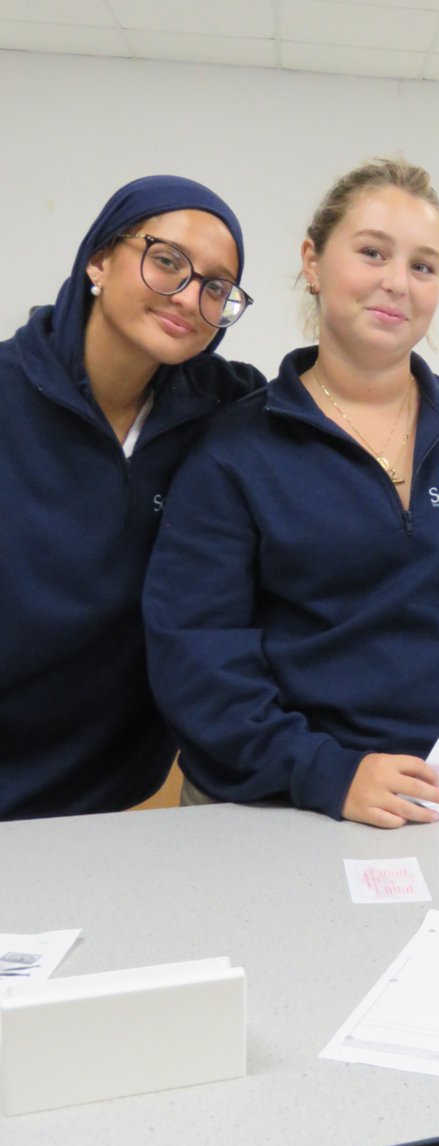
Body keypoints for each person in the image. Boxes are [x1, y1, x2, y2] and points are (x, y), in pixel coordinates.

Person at [143, 159, 439, 828]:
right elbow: (198, 652)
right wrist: (324, 771)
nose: (396, 283)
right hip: (274, 803)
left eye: (424, 266)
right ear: (313, 262)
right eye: (372, 252)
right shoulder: (235, 448)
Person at [0, 176, 263, 820]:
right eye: (167, 260)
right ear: (98, 259)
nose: (188, 296)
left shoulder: (227, 408)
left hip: (127, 790)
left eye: (216, 286)